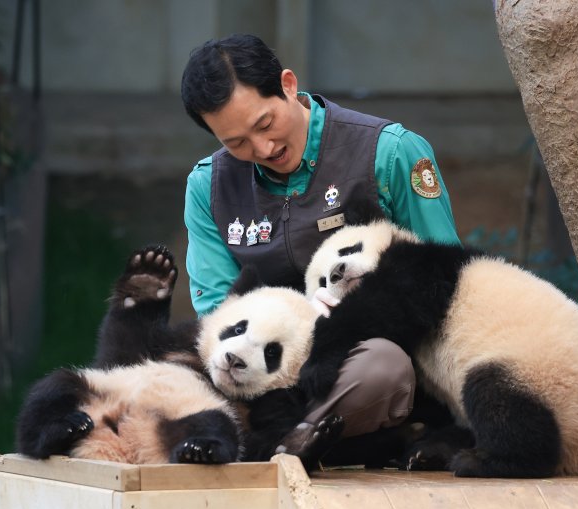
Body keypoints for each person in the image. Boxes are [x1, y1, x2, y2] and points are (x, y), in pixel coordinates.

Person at [180, 34, 460, 449]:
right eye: (235, 143)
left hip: (362, 358)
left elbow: (446, 281)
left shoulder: (390, 154)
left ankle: (275, 439)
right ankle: (320, 439)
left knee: (382, 369)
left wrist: (355, 316)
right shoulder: (208, 187)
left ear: (288, 85)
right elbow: (217, 315)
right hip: (260, 372)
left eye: (264, 124)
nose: (262, 147)